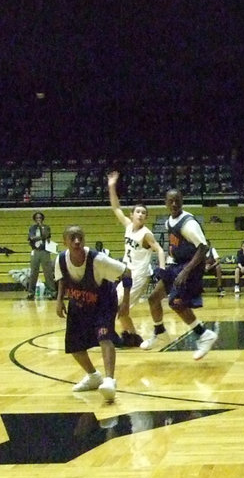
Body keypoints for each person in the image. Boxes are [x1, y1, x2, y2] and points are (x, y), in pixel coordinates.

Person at [55, 225, 129, 403]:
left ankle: (109, 380)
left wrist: (125, 301)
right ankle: (94, 376)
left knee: (105, 337)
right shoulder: (60, 260)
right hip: (79, 302)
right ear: (64, 242)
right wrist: (59, 300)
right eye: (72, 238)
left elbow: (126, 271)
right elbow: (62, 280)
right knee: (74, 346)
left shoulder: (98, 259)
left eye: (80, 237)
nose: (77, 241)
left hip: (103, 302)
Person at [146, 188, 219, 360]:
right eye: (170, 201)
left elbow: (203, 248)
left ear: (182, 201)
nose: (174, 204)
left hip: (191, 267)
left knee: (176, 303)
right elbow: (176, 246)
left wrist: (186, 271)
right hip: (177, 264)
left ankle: (204, 334)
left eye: (177, 200)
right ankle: (160, 332)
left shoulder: (188, 224)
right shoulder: (168, 222)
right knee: (153, 298)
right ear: (165, 202)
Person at [106, 171, 167, 349]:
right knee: (120, 309)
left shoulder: (145, 234)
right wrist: (111, 186)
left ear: (146, 218)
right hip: (126, 274)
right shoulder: (128, 226)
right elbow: (116, 207)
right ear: (131, 214)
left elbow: (160, 249)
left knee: (116, 305)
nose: (140, 214)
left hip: (138, 276)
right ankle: (132, 337)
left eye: (143, 213)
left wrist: (161, 270)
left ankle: (129, 336)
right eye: (138, 212)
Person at [26, 212, 57, 300]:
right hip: (35, 250)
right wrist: (41, 238)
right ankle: (31, 292)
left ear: (42, 219)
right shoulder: (32, 228)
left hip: (45, 251)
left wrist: (41, 228)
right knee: (33, 272)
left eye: (40, 218)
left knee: (48, 272)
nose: (38, 219)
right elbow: (31, 238)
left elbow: (46, 235)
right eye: (37, 218)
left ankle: (52, 292)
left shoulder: (46, 227)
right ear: (34, 219)